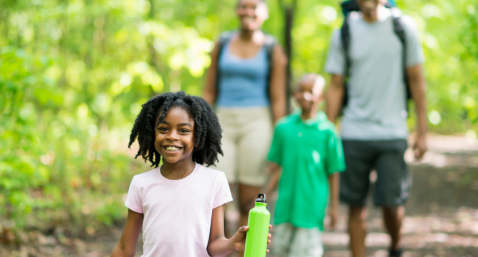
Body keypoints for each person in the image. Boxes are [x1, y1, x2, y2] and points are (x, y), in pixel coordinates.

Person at [110, 92, 271, 257]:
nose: (172, 136)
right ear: (153, 133)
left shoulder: (214, 181)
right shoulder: (141, 183)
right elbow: (124, 249)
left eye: (183, 130)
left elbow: (214, 245)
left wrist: (232, 244)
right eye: (163, 129)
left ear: (198, 136)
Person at [324, 0, 427, 256]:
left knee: (391, 204)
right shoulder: (344, 31)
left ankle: (396, 246)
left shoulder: (404, 27)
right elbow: (336, 84)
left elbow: (416, 80)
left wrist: (422, 132)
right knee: (355, 206)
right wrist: (327, 129)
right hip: (354, 132)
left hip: (392, 131)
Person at [202, 0, 287, 236]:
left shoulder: (272, 48)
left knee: (249, 199)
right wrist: (200, 124)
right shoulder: (222, 42)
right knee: (216, 195)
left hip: (257, 122)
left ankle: (245, 251)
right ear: (237, 10)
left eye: (254, 6)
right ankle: (218, 247)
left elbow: (278, 98)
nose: (248, 11)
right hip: (222, 122)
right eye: (243, 6)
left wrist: (280, 140)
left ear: (265, 13)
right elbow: (209, 89)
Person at [265, 74, 346, 257]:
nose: (305, 96)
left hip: (310, 207)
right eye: (300, 90)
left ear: (321, 97)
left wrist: (334, 207)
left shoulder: (328, 132)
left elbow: (333, 172)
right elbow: (278, 167)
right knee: (279, 250)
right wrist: (265, 196)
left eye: (311, 92)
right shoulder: (283, 128)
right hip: (285, 206)